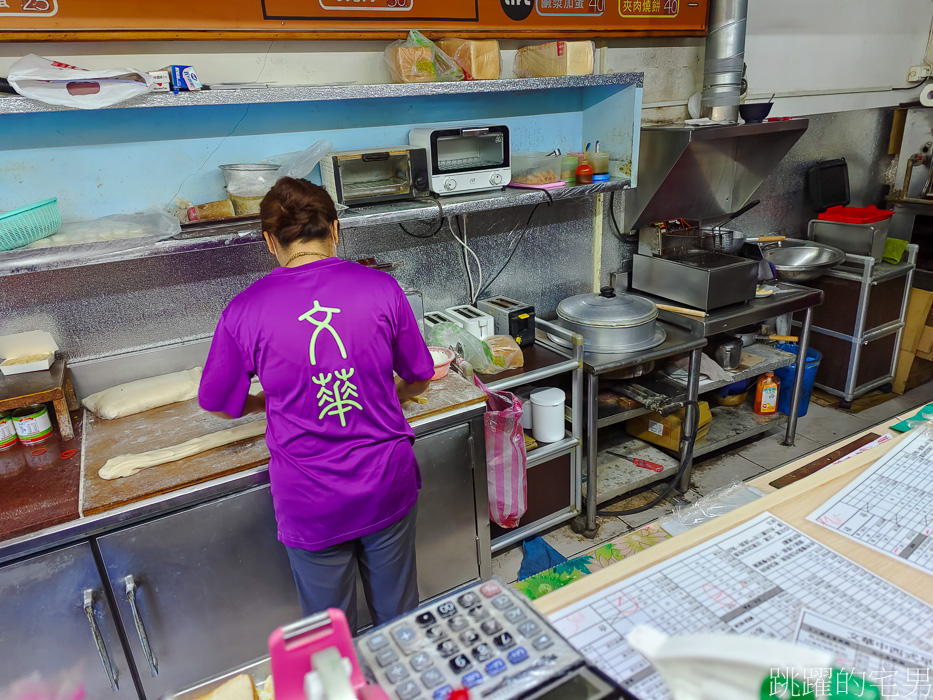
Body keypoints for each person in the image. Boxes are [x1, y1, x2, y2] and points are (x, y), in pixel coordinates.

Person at [198, 177, 434, 630]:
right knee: (401, 621)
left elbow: (220, 403)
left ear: (270, 242)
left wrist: (267, 402)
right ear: (336, 230)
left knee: (329, 637)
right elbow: (420, 376)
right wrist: (390, 394)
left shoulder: (244, 311)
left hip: (311, 496)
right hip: (385, 479)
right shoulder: (381, 288)